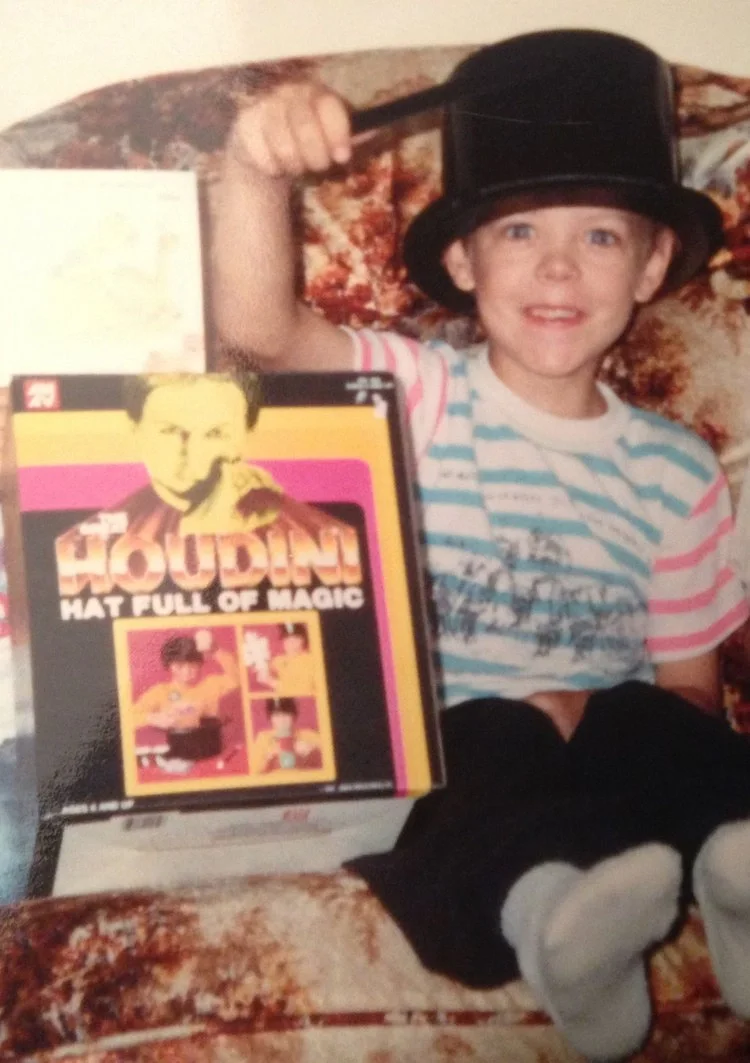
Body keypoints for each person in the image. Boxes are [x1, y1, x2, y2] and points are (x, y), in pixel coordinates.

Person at [211, 29, 750, 1060]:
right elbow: (266, 336)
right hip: (453, 758)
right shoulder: (420, 391)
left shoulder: (679, 471)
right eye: (518, 232)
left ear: (652, 265)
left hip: (613, 759)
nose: (557, 265)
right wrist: (251, 166)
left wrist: (589, 712)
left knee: (664, 733)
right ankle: (557, 922)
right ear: (461, 261)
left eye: (601, 236)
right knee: (487, 752)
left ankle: (736, 867)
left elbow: (692, 698)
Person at [132, 628, 240, 732]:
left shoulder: (212, 684)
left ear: (200, 664)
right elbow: (129, 718)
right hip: (176, 744)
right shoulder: (161, 691)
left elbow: (237, 679)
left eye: (192, 665)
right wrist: (151, 718)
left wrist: (216, 650)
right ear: (169, 666)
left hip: (211, 742)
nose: (186, 671)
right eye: (179, 666)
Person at [250, 696, 322, 773]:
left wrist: (314, 752)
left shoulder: (309, 735)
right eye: (277, 715)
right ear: (270, 718)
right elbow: (254, 772)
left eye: (286, 715)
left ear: (294, 716)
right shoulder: (263, 738)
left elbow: (330, 762)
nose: (282, 720)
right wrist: (269, 756)